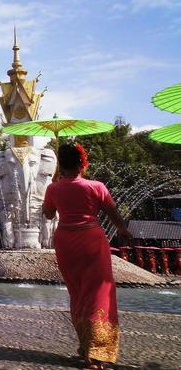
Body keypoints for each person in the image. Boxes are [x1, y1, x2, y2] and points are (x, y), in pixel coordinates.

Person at [44, 143, 132, 369]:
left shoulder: (53, 189)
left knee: (78, 291)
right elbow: (114, 215)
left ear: (60, 165)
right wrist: (124, 231)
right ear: (82, 164)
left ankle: (86, 345)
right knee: (99, 291)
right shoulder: (97, 186)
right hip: (91, 240)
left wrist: (56, 183)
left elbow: (48, 214)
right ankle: (96, 351)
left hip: (66, 242)